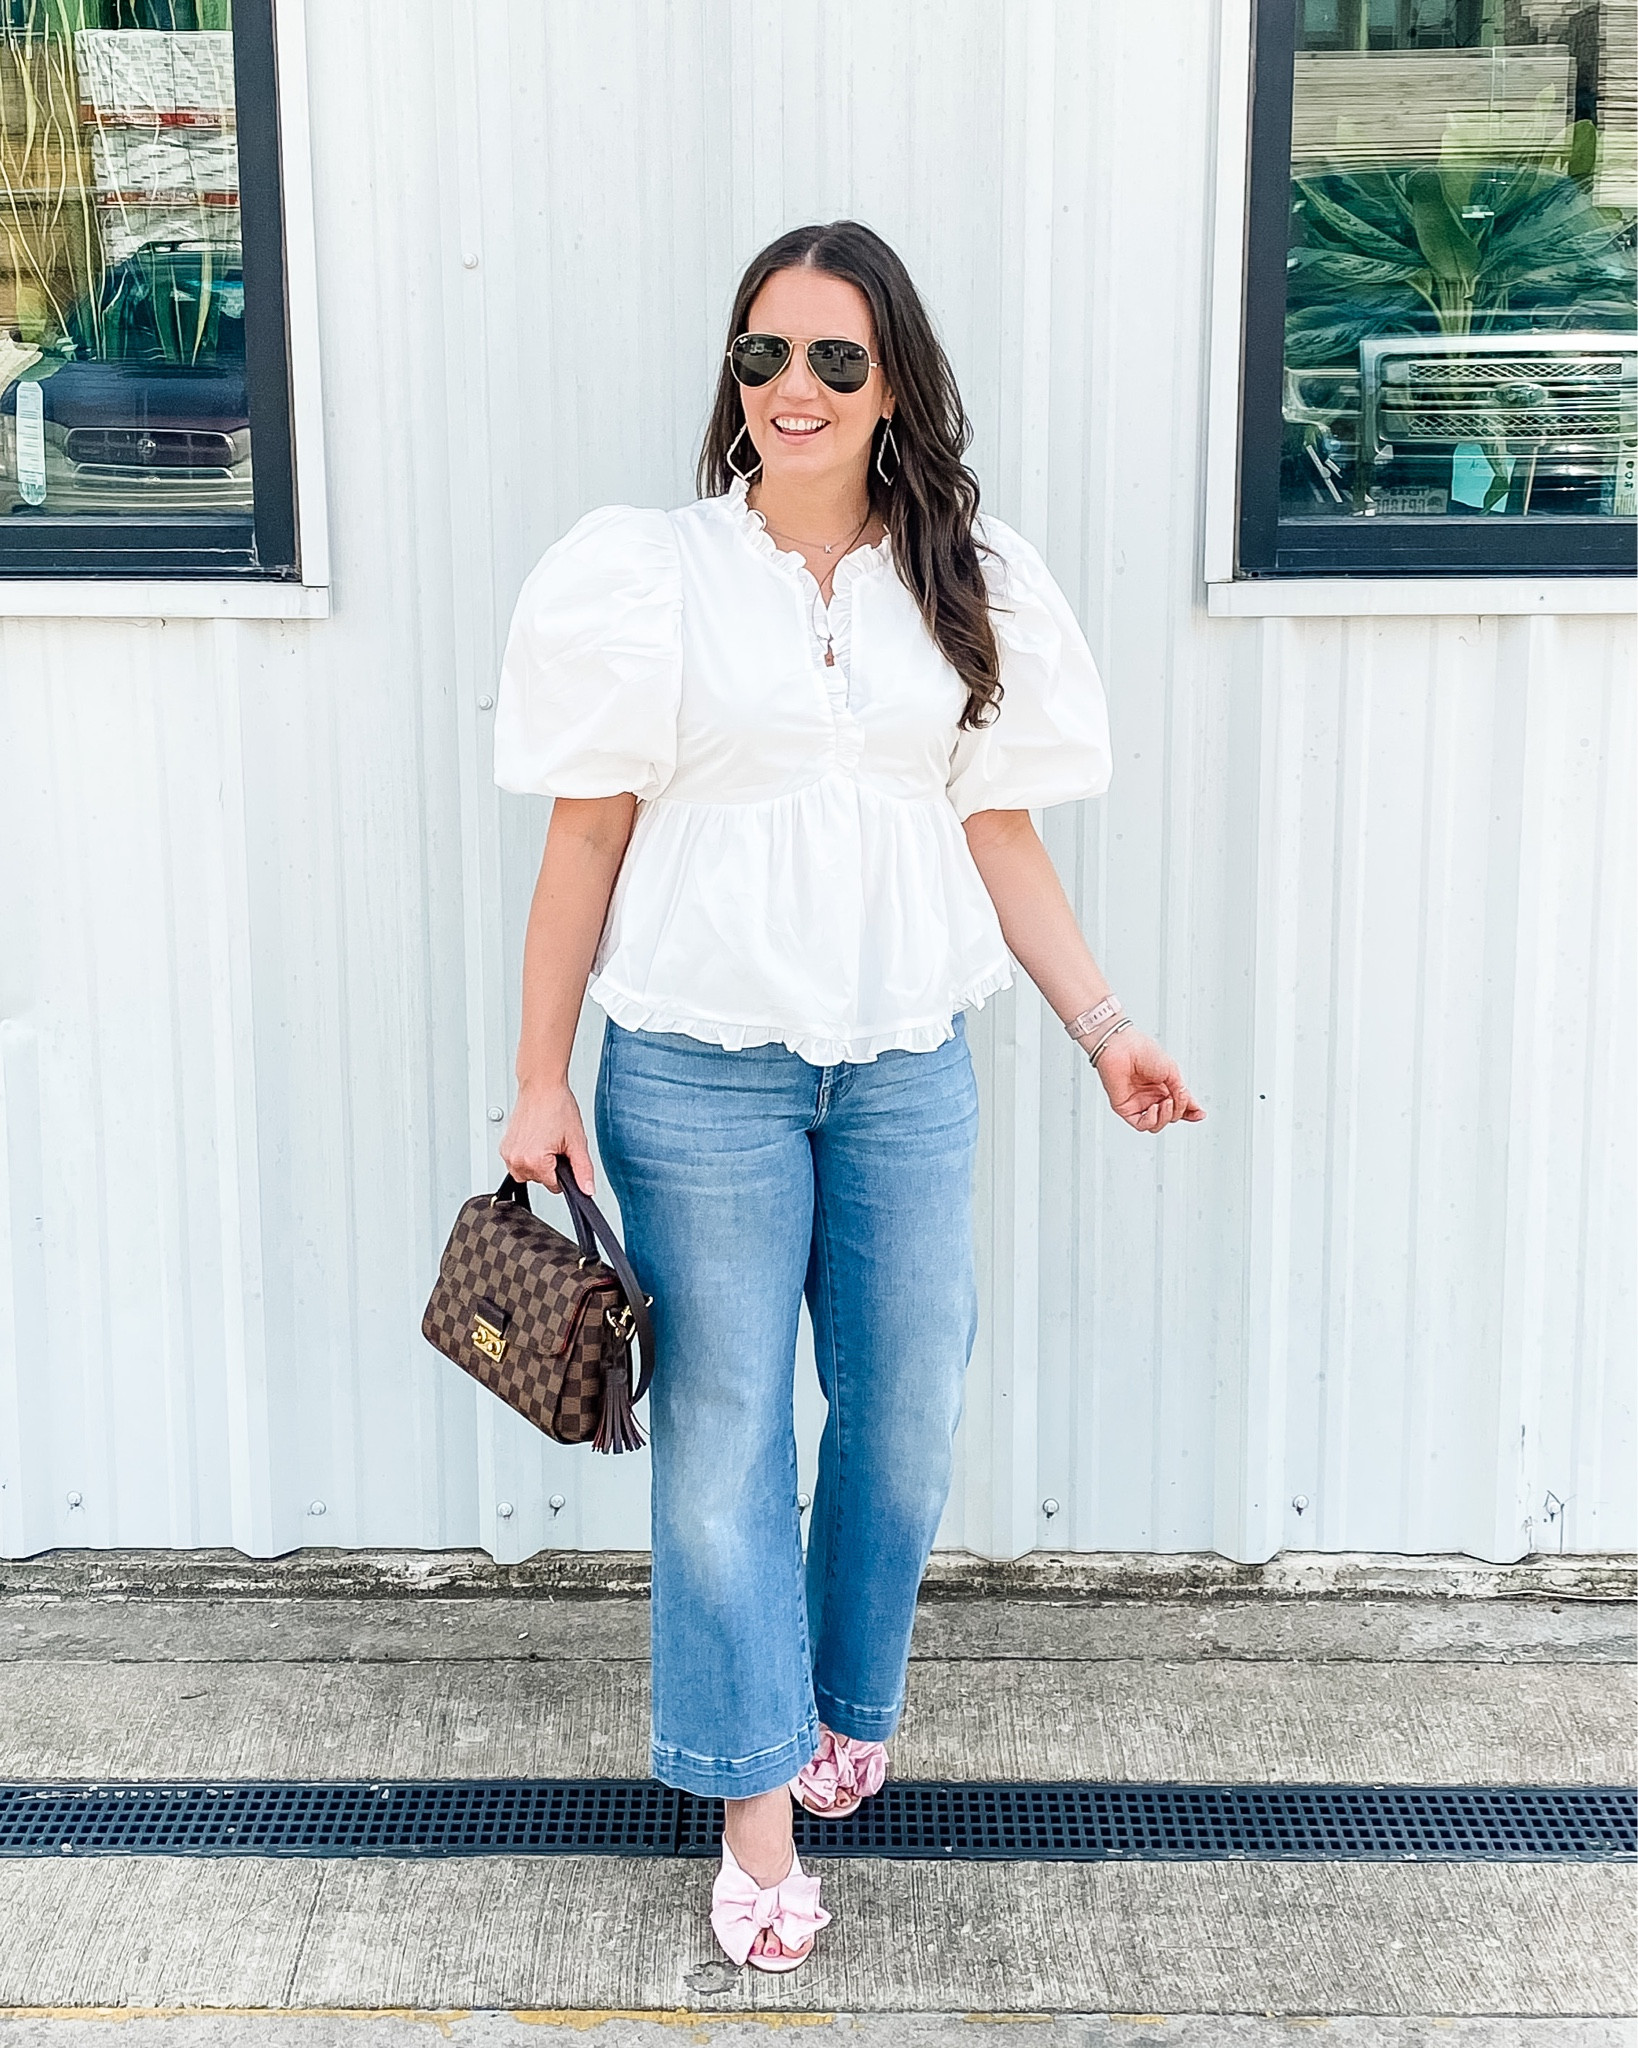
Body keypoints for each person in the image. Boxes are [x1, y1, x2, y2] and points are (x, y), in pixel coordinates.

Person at [493, 219, 1204, 1972]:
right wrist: (534, 1081)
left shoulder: (969, 580)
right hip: (694, 1072)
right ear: (730, 381)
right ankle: (747, 1801)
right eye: (760, 356)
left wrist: (1103, 1025)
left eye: (832, 359)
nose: (789, 390)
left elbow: (996, 826)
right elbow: (585, 836)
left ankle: (837, 1697)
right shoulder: (648, 573)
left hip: (903, 1065)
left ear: (894, 384)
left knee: (901, 1411)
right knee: (725, 1440)